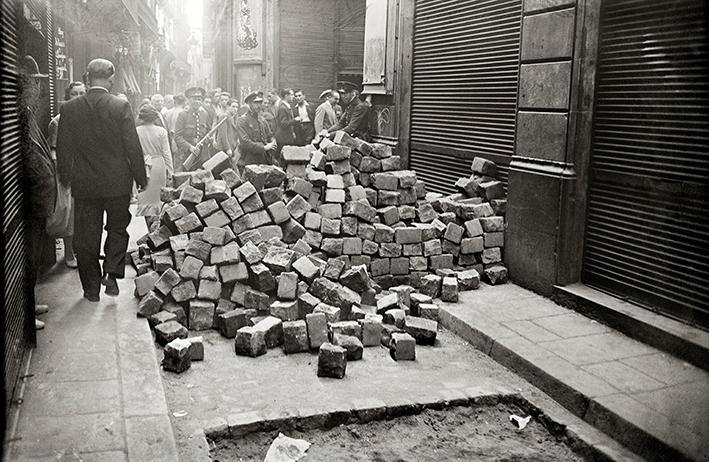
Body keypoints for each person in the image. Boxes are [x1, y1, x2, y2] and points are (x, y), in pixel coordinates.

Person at [56, 58, 147, 301]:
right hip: (117, 182)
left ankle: (91, 289)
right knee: (117, 228)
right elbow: (132, 146)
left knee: (86, 236)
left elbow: (64, 148)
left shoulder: (69, 108)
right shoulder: (120, 106)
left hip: (84, 183)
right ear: (111, 78)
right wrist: (141, 177)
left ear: (88, 77)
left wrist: (65, 177)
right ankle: (112, 273)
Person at [18, 55, 57, 330]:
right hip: (29, 201)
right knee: (28, 258)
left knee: (34, 256)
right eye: (35, 83)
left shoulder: (28, 114)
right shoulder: (19, 116)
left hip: (38, 200)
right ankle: (25, 313)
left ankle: (31, 302)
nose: (39, 89)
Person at [47, 81, 86, 269]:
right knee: (70, 218)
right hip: (67, 176)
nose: (78, 97)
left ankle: (82, 250)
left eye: (82, 94)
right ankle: (69, 252)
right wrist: (62, 173)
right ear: (67, 97)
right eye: (74, 94)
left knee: (85, 215)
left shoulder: (90, 119)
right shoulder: (57, 122)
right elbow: (53, 151)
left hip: (87, 175)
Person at [135, 104, 173, 229]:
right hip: (158, 165)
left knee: (146, 199)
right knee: (158, 199)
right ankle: (158, 229)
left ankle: (149, 228)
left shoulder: (136, 131)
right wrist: (170, 171)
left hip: (143, 165)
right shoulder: (161, 131)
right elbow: (166, 153)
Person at [236, 92, 277, 171]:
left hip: (264, 159)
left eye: (260, 102)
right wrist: (264, 147)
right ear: (249, 104)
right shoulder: (242, 120)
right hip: (249, 159)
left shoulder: (262, 120)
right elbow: (245, 142)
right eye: (255, 103)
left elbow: (270, 135)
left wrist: (273, 142)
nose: (258, 105)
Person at [174, 86, 212, 171]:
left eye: (199, 99)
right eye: (194, 99)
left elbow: (208, 132)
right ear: (188, 100)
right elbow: (177, 137)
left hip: (202, 155)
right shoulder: (183, 115)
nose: (197, 101)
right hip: (186, 154)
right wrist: (190, 147)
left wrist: (208, 139)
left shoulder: (205, 114)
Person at [274, 88, 297, 162]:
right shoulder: (282, 108)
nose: (293, 96)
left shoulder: (287, 106)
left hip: (286, 137)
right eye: (292, 95)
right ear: (286, 95)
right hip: (283, 138)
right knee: (282, 159)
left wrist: (292, 132)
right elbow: (283, 123)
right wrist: (295, 120)